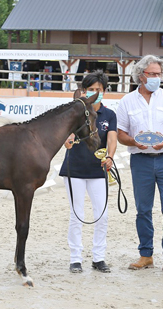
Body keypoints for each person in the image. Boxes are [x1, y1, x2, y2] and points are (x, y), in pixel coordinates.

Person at [116, 55, 163, 275]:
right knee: (143, 210)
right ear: (140, 75)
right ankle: (146, 255)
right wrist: (133, 141)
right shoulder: (127, 101)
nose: (157, 78)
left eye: (159, 74)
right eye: (153, 74)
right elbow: (120, 134)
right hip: (140, 160)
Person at [59, 71, 118, 274]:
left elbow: (111, 138)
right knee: (77, 215)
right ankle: (75, 258)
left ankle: (98, 257)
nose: (95, 93)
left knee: (102, 215)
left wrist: (110, 156)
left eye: (98, 90)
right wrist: (67, 140)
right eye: (91, 89)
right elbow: (66, 141)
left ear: (104, 91)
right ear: (84, 91)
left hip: (98, 170)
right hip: (74, 169)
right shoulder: (74, 113)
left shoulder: (109, 115)